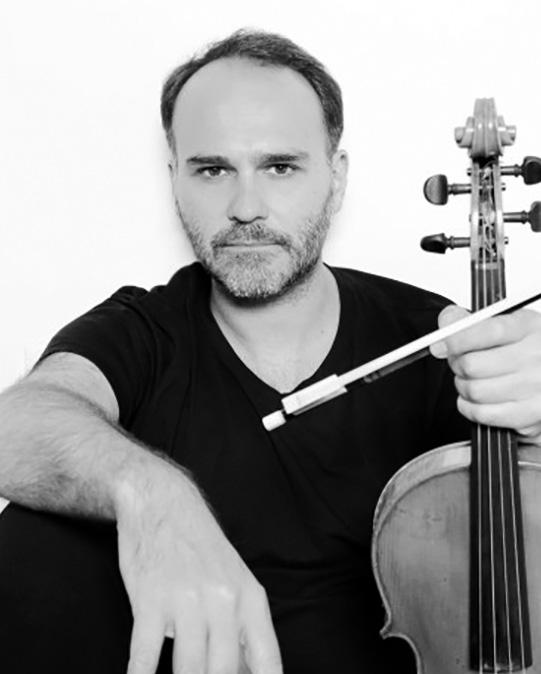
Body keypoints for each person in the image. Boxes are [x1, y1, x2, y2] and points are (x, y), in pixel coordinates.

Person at [1, 28, 541, 674]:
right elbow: (19, 423)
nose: (245, 207)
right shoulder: (142, 332)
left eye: (280, 167)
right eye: (212, 169)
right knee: (35, 540)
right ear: (175, 181)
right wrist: (150, 492)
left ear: (335, 179)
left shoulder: (437, 340)